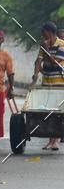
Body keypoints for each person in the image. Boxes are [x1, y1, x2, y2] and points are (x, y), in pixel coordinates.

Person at [32, 21, 64, 150]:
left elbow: (56, 64)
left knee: (56, 112)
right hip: (46, 82)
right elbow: (39, 61)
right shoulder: (43, 45)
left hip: (59, 84)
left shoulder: (62, 45)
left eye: (43, 31)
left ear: (49, 32)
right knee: (47, 111)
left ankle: (55, 141)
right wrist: (35, 75)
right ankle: (51, 141)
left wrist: (47, 50)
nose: (41, 33)